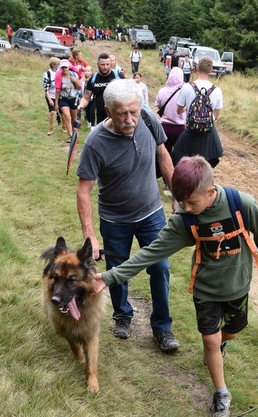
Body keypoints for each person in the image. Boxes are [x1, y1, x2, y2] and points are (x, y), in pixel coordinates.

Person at [94, 155, 258, 417]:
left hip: (238, 285)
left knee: (232, 332)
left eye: (192, 202)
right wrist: (109, 277)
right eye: (182, 202)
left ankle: (217, 348)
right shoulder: (186, 220)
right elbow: (150, 253)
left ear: (211, 192)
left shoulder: (242, 205)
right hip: (206, 289)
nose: (187, 207)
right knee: (210, 339)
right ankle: (221, 392)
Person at [76, 78, 179, 352]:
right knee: (116, 271)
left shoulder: (147, 118)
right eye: (122, 113)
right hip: (114, 219)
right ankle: (122, 315)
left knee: (161, 268)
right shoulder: (96, 142)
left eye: (133, 111)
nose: (130, 119)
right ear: (108, 111)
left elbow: (163, 156)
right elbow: (84, 190)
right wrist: (90, 235)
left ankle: (162, 327)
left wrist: (177, 194)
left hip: (151, 213)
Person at [172, 57, 223, 168]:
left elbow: (179, 110)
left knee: (181, 159)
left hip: (190, 131)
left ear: (197, 68)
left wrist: (188, 109)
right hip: (208, 134)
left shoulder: (186, 87)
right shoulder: (217, 90)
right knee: (205, 165)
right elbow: (216, 116)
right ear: (211, 70)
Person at [77, 53, 119, 126]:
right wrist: (81, 105)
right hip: (100, 118)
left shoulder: (117, 77)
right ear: (97, 64)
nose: (105, 67)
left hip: (117, 116)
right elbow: (86, 97)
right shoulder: (93, 79)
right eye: (102, 65)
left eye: (107, 64)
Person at [154, 67, 186, 156]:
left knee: (164, 156)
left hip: (164, 127)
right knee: (179, 155)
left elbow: (157, 105)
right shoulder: (184, 92)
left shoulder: (162, 91)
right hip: (180, 128)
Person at [54, 59, 81, 142]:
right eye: (63, 68)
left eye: (66, 67)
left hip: (73, 98)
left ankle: (74, 133)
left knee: (74, 118)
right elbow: (57, 90)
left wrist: (75, 81)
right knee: (67, 116)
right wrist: (56, 103)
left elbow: (79, 87)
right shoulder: (59, 76)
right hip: (63, 99)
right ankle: (70, 136)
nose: (64, 69)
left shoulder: (74, 75)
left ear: (69, 67)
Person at [43, 57, 60, 135]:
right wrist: (50, 100)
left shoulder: (60, 72)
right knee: (52, 112)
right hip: (50, 95)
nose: (59, 66)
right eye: (57, 64)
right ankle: (51, 129)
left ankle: (64, 126)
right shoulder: (47, 74)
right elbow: (46, 89)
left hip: (59, 95)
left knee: (62, 111)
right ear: (53, 65)